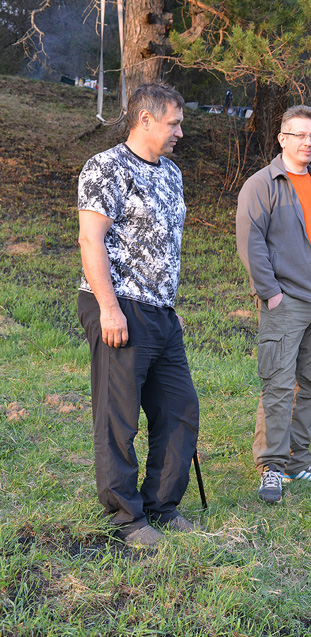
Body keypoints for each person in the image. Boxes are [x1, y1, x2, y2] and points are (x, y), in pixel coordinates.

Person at [77, 82, 201, 548]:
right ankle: (124, 517)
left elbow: (164, 246)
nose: (180, 133)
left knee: (179, 408)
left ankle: (162, 505)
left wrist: (170, 305)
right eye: (174, 123)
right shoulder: (106, 167)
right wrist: (109, 309)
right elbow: (91, 240)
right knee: (120, 417)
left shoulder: (171, 173)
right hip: (120, 305)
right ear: (144, 119)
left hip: (160, 312)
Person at [236, 105, 311, 503]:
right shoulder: (261, 185)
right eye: (299, 135)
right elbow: (251, 242)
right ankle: (272, 467)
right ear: (282, 138)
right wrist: (271, 292)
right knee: (279, 384)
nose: (308, 142)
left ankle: (298, 460)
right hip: (286, 300)